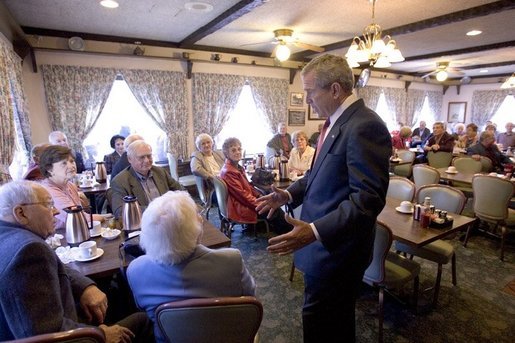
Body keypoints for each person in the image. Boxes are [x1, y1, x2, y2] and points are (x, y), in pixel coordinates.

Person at [256, 54, 391, 342]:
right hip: (324, 248)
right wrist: (288, 194)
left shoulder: (365, 125)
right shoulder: (335, 123)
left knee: (326, 325)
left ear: (334, 90)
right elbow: (317, 175)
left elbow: (366, 201)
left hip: (338, 252)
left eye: (309, 91)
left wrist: (314, 230)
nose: (306, 100)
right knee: (325, 322)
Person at [0, 180, 153, 342]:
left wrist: (84, 286)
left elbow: (57, 266)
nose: (55, 212)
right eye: (48, 205)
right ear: (21, 213)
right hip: (73, 336)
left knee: (113, 298)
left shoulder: (11, 238)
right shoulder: (28, 250)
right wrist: (100, 334)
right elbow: (49, 334)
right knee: (143, 320)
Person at [127, 191, 255, 343]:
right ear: (197, 229)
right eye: (197, 216)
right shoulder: (232, 260)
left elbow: (143, 309)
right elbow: (250, 298)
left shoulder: (135, 271)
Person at [220, 137, 292, 234]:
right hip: (240, 206)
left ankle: (282, 230)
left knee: (269, 196)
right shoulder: (229, 171)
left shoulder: (235, 167)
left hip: (241, 202)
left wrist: (259, 196)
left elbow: (249, 186)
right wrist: (260, 203)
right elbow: (242, 196)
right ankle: (291, 234)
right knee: (275, 209)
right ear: (226, 153)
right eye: (233, 150)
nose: (237, 152)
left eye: (239, 149)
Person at [110, 140, 183, 218]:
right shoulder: (120, 181)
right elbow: (120, 211)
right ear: (130, 159)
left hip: (169, 220)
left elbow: (181, 190)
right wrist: (157, 210)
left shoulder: (160, 172)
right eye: (141, 157)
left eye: (149, 156)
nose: (147, 160)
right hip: (143, 224)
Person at [39, 145, 104, 229]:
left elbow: (82, 215)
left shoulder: (70, 185)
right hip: (59, 237)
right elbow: (78, 218)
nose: (71, 166)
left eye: (72, 161)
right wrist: (104, 217)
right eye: (64, 163)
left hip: (76, 231)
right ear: (50, 169)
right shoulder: (48, 191)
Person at [190, 133, 225, 200]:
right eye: (203, 144)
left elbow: (227, 164)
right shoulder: (197, 156)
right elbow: (195, 169)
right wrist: (212, 177)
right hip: (213, 187)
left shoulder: (218, 153)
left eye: (208, 142)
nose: (206, 145)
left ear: (212, 143)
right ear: (199, 146)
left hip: (225, 181)